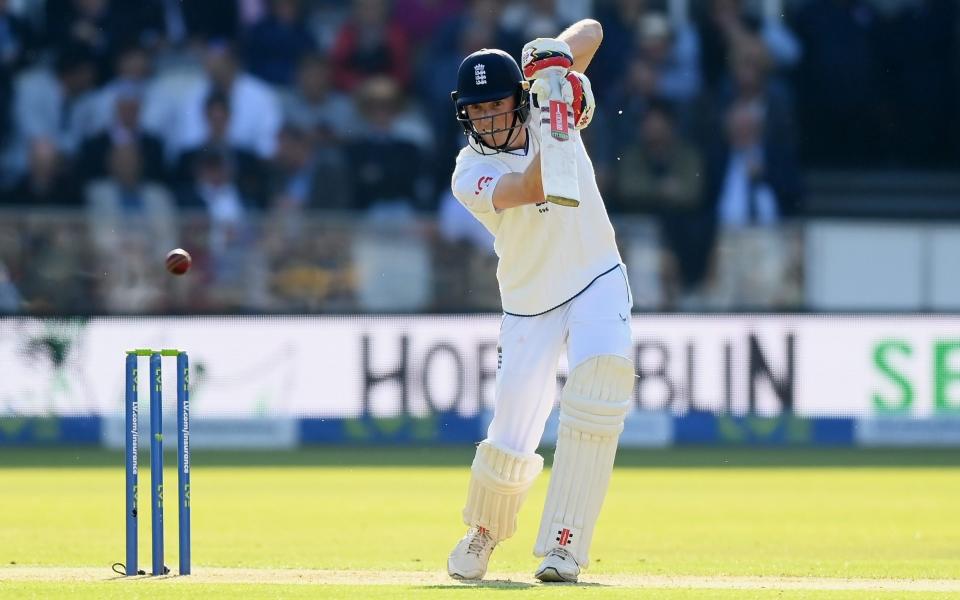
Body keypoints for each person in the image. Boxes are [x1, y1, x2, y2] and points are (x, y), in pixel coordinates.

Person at [446, 20, 635, 583]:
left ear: (518, 99)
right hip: (530, 303)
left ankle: (565, 544)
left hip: (597, 274)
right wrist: (558, 120)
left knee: (599, 388)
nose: (486, 121)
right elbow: (531, 188)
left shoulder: (548, 102)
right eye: (475, 112)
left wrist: (553, 67)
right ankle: (484, 531)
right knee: (512, 431)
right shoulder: (469, 171)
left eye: (496, 107)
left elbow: (593, 31)